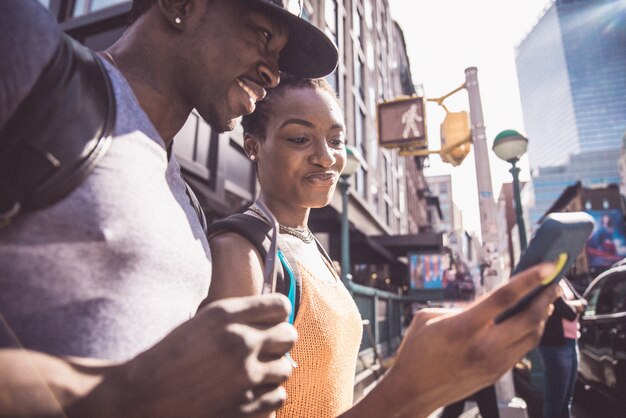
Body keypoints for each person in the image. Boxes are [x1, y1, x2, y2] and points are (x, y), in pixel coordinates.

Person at [0, 0, 339, 415]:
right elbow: (147, 389)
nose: (273, 72)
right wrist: (118, 393)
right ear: (181, 5)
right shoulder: (28, 49)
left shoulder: (189, 210)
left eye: (279, 58)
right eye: (263, 35)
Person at [206, 74, 563, 417]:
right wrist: (413, 392)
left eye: (335, 139)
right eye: (299, 139)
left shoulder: (313, 249)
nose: (327, 157)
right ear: (253, 146)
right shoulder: (243, 254)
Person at [537, 278, 586, 418]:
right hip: (555, 346)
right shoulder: (547, 284)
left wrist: (572, 304)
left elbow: (584, 303)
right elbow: (569, 314)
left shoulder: (562, 280)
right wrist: (575, 306)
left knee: (566, 399)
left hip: (571, 342)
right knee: (555, 400)